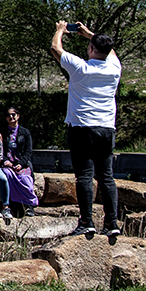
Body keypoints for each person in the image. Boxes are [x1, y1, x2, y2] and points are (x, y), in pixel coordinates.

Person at [51, 20, 122, 239]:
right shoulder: (114, 69)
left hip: (81, 127)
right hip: (106, 128)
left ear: (91, 49)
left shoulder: (80, 67)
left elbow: (55, 48)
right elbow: (110, 52)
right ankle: (111, 223)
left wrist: (60, 30)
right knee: (107, 177)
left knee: (84, 176)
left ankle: (87, 222)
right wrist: (89, 34)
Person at [1, 106, 39, 216]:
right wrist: (5, 161)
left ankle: (29, 205)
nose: (11, 117)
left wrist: (21, 164)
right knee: (8, 176)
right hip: (8, 164)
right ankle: (15, 204)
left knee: (26, 179)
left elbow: (28, 151)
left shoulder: (25, 132)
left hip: (22, 163)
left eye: (13, 114)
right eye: (8, 115)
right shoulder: (2, 132)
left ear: (18, 116)